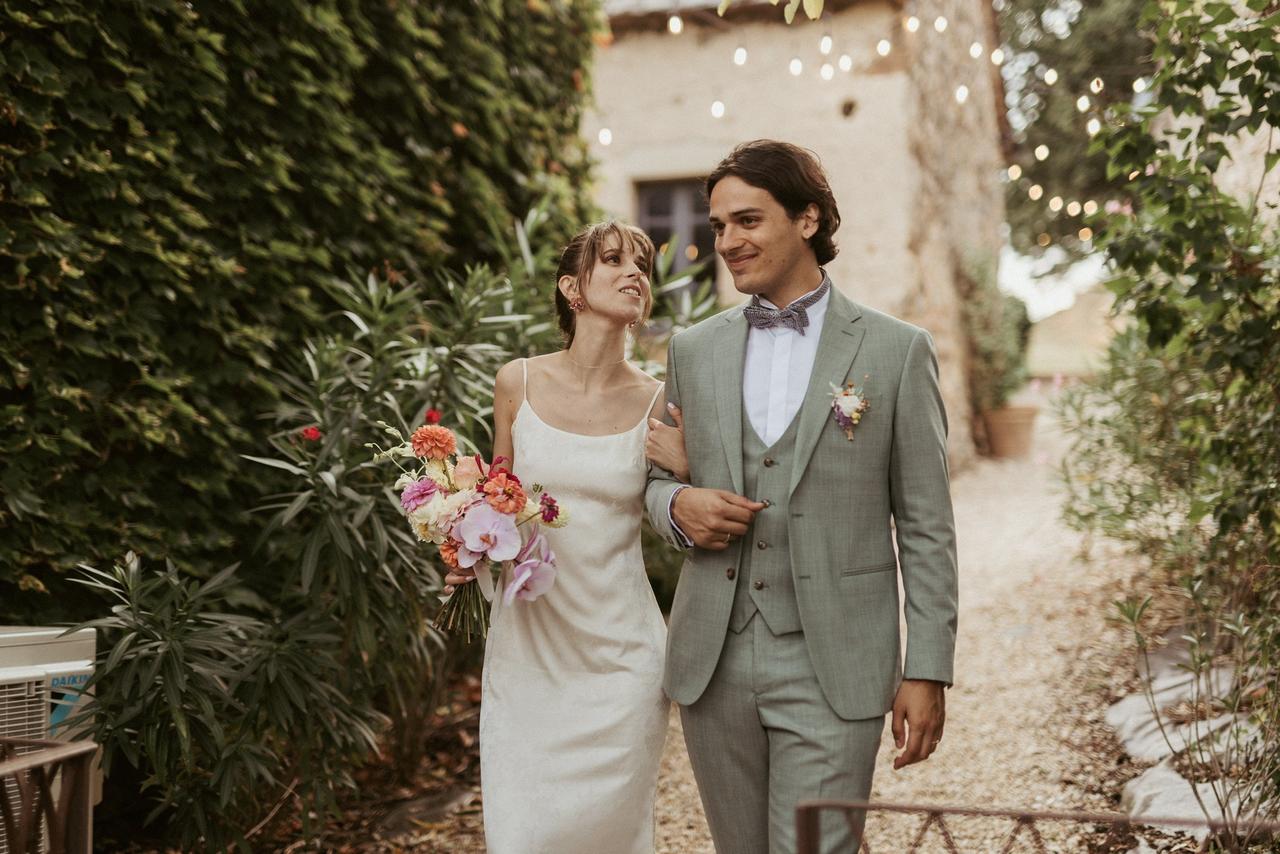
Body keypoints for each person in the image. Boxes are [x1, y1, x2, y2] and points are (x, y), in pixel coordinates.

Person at [643, 139, 959, 854]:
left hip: (835, 661)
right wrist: (679, 510)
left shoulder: (895, 350)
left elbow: (927, 525)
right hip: (713, 662)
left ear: (808, 218)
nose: (727, 241)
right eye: (719, 225)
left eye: (747, 221)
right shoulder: (693, 350)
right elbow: (659, 483)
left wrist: (928, 667)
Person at [444, 222, 670, 853]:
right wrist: (462, 547)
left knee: (611, 837)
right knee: (527, 833)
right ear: (573, 287)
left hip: (622, 658)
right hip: (530, 648)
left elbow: (678, 506)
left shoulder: (660, 400)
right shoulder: (517, 382)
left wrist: (686, 462)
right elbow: (497, 496)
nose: (635, 274)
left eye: (642, 266)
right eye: (616, 261)